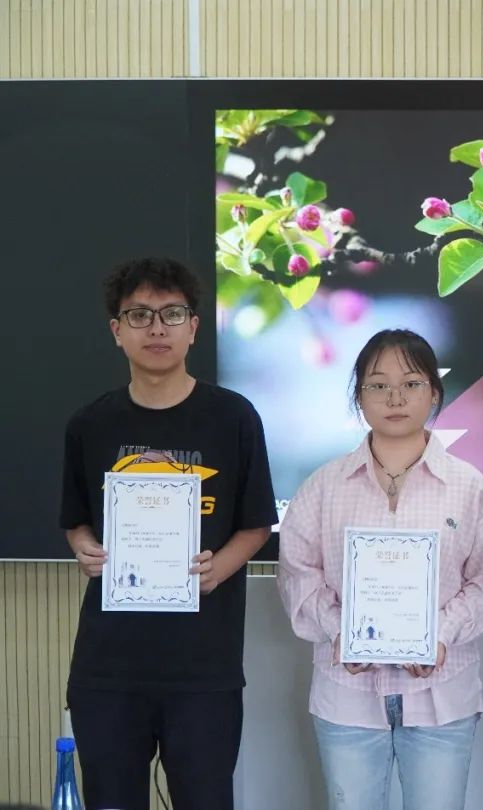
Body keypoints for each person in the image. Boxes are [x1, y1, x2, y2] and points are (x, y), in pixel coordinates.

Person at [60, 257, 277, 810]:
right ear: (117, 330)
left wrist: (217, 570)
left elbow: (256, 524)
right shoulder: (90, 424)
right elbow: (76, 520)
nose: (157, 328)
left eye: (172, 314)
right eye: (139, 315)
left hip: (203, 667)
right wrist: (83, 547)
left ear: (194, 327)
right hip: (109, 667)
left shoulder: (234, 417)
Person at [277, 329, 483, 810]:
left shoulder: (471, 489)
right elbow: (298, 573)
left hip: (442, 695)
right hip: (347, 697)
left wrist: (439, 634)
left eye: (411, 383)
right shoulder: (322, 487)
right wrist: (342, 631)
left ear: (435, 393)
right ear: (359, 397)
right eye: (378, 385)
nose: (395, 397)